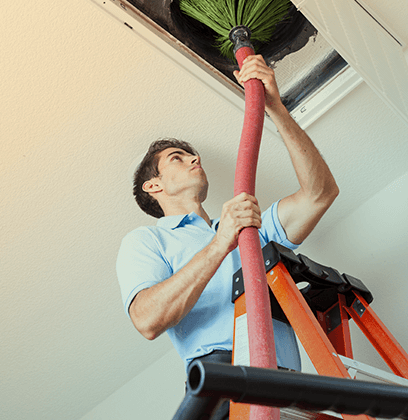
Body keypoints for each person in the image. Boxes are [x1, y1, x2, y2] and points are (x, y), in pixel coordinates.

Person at [116, 55, 339, 418]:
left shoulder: (250, 227)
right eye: (177, 157)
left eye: (192, 154)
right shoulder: (147, 242)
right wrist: (222, 243)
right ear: (153, 186)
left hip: (286, 386)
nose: (193, 159)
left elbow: (320, 193)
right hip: (223, 385)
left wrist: (276, 108)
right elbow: (147, 320)